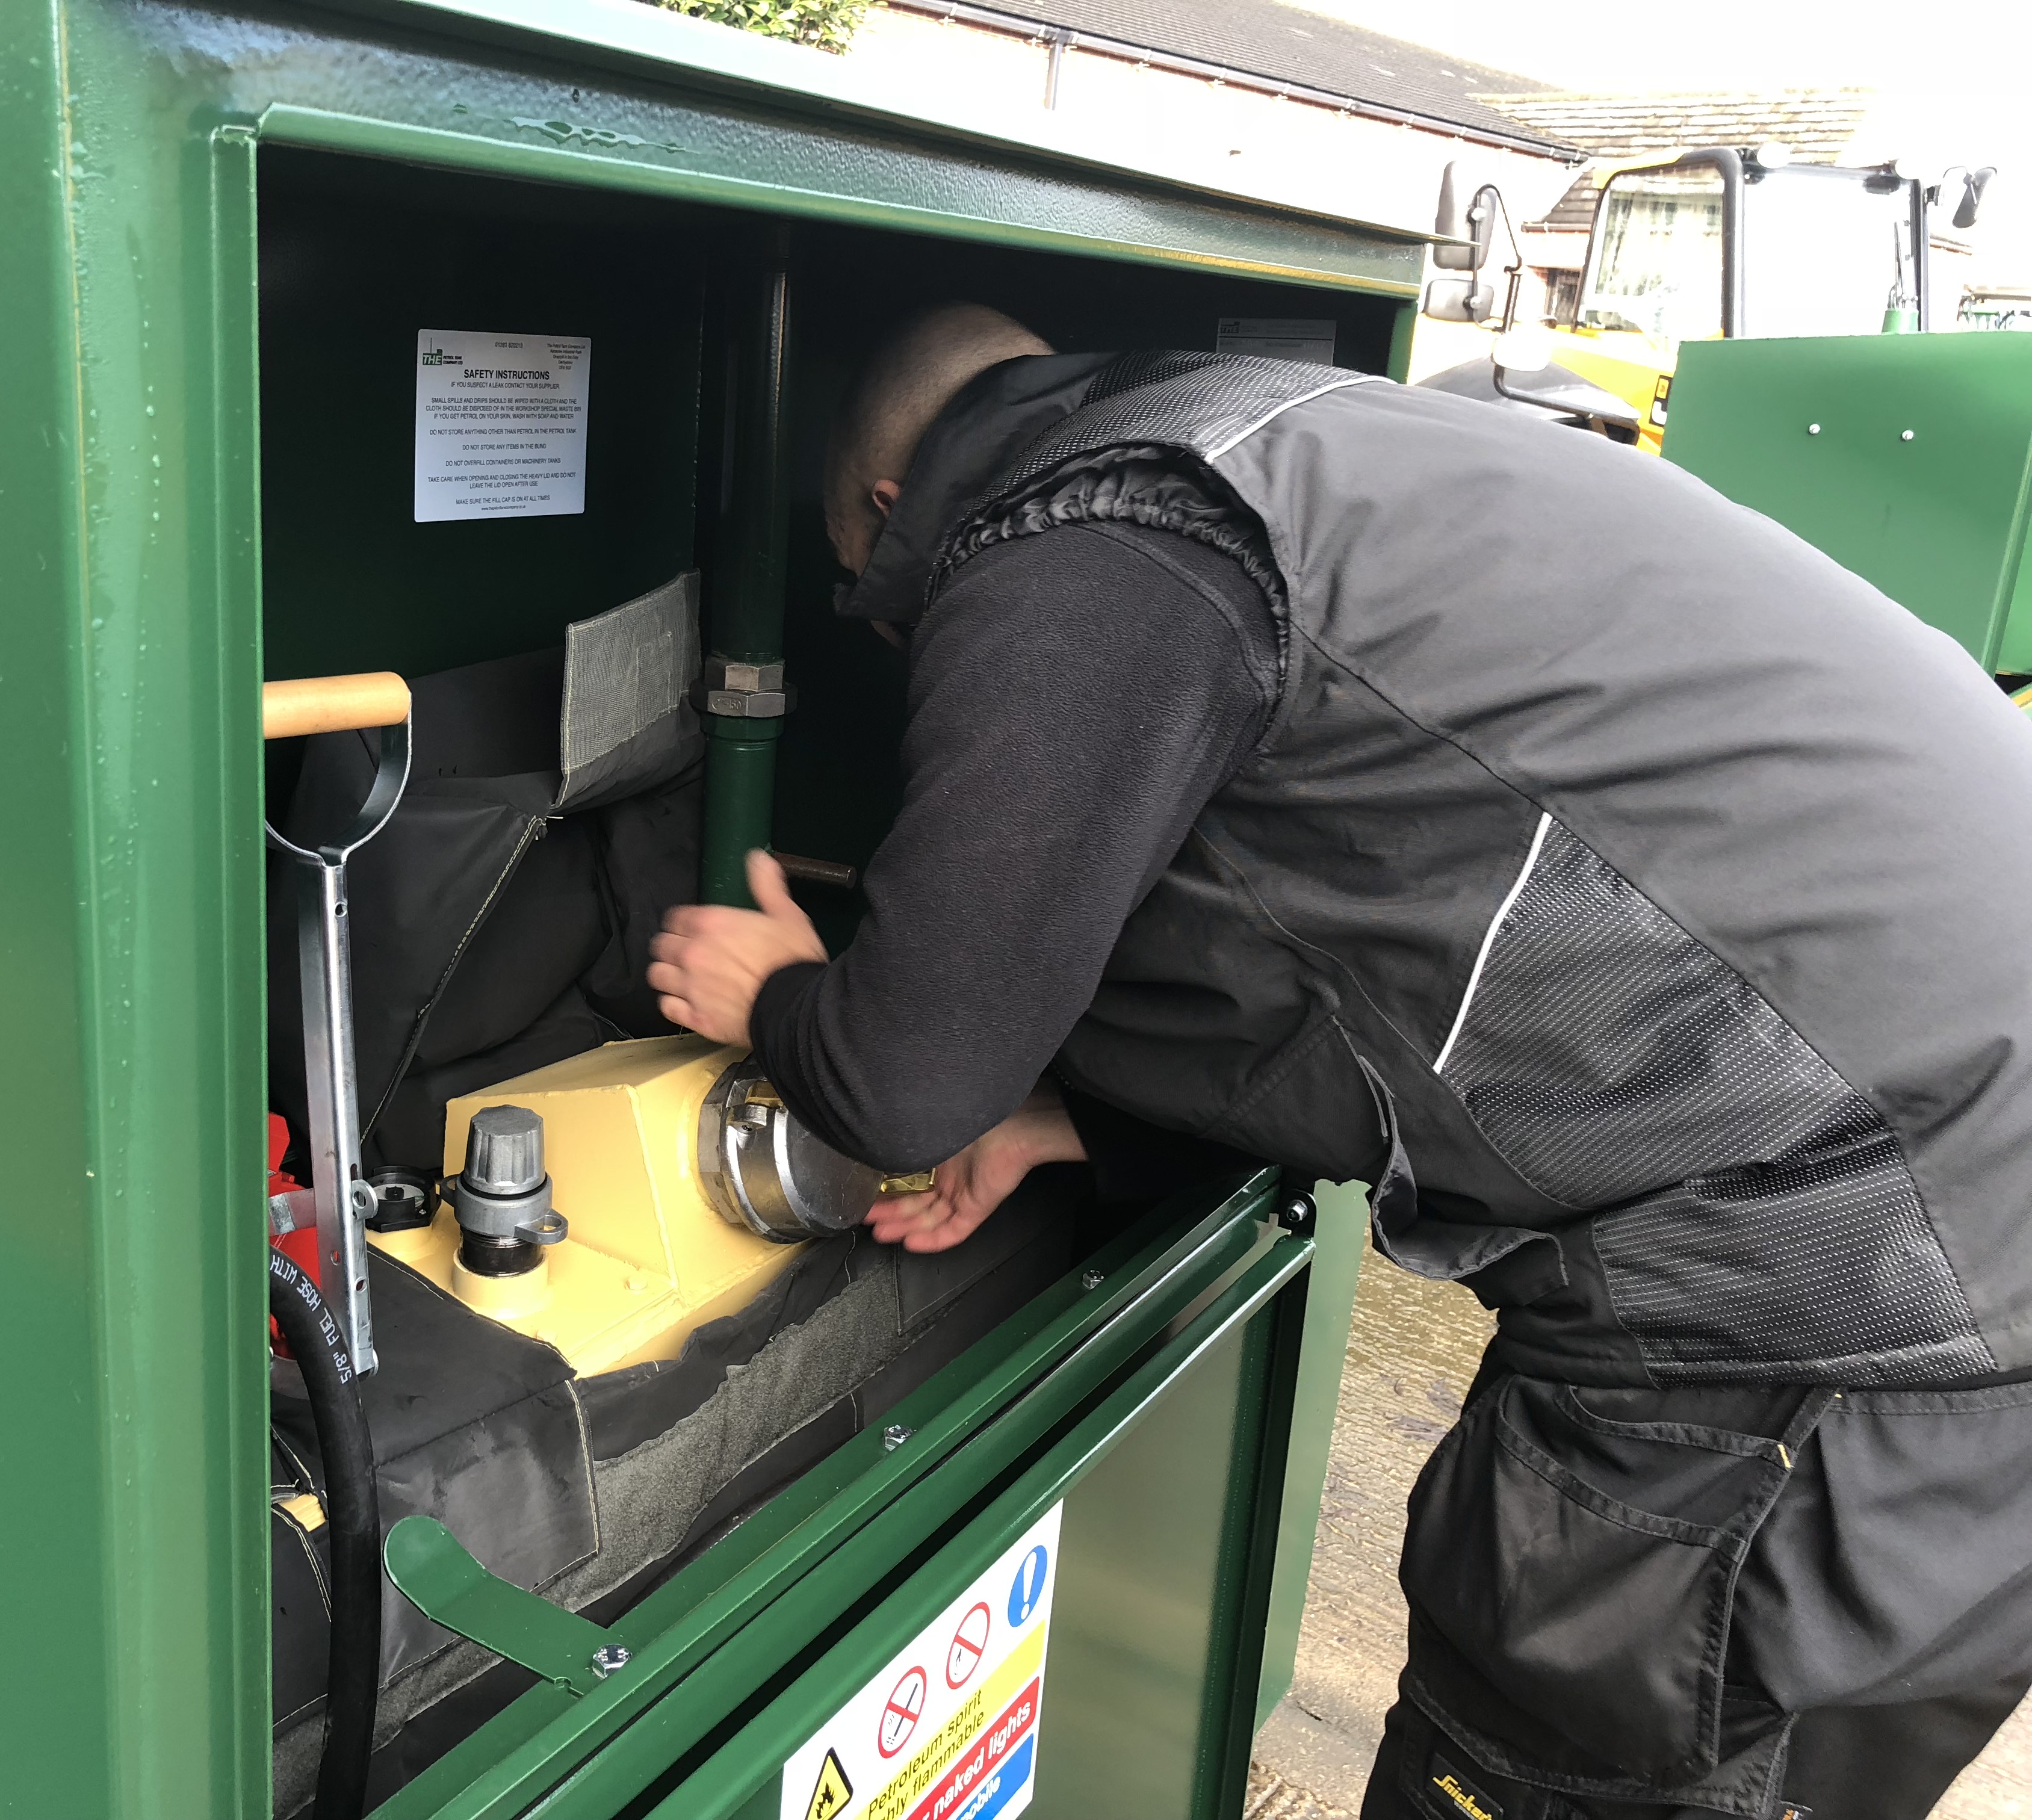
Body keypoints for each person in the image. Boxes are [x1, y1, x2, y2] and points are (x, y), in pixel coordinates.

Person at [645, 303, 2032, 1820]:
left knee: (1548, 1774)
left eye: (870, 594)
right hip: (1957, 1234)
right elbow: (1378, 919)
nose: (891, 622)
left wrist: (784, 996)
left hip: (1838, 1317)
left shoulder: (1096, 529)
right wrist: (1084, 1125)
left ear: (889, 509)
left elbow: (899, 1080)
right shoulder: (1299, 446)